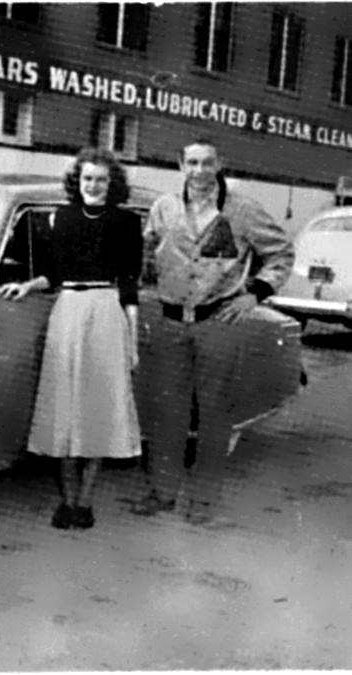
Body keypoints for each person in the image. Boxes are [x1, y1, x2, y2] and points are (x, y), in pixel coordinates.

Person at [135, 137, 294, 524]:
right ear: (180, 165)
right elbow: (144, 253)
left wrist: (254, 294)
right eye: (192, 162)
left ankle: (204, 501)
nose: (200, 171)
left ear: (220, 164)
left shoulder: (243, 210)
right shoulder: (163, 207)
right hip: (171, 321)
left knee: (213, 414)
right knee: (167, 412)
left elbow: (281, 253)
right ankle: (163, 492)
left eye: (208, 163)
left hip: (219, 321)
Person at [0, 148, 143, 530]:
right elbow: (52, 272)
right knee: (63, 405)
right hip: (68, 311)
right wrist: (27, 286)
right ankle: (65, 500)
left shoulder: (127, 223)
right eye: (87, 178)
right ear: (77, 182)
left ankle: (85, 501)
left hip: (106, 310)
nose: (93, 185)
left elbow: (129, 284)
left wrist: (131, 341)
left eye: (101, 179)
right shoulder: (60, 218)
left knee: (98, 408)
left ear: (112, 184)